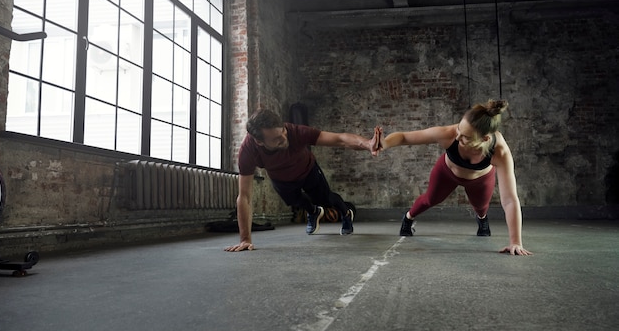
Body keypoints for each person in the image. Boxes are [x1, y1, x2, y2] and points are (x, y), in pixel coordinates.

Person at [375, 99, 532, 256]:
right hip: (447, 173)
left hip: (479, 180)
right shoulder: (449, 134)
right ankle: (408, 218)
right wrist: (385, 143)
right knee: (430, 199)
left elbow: (510, 200)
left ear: (485, 139)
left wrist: (515, 242)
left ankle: (482, 219)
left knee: (481, 206)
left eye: (465, 137)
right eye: (459, 130)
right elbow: (404, 137)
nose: (457, 138)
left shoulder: (500, 152)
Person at [224, 108, 379, 252]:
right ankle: (314, 212)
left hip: (308, 170)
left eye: (283, 131)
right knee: (296, 201)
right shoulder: (248, 152)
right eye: (277, 139)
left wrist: (367, 144)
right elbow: (244, 196)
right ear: (259, 141)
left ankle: (346, 214)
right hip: (281, 179)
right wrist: (245, 239)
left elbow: (340, 139)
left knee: (325, 199)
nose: (284, 138)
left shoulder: (295, 132)